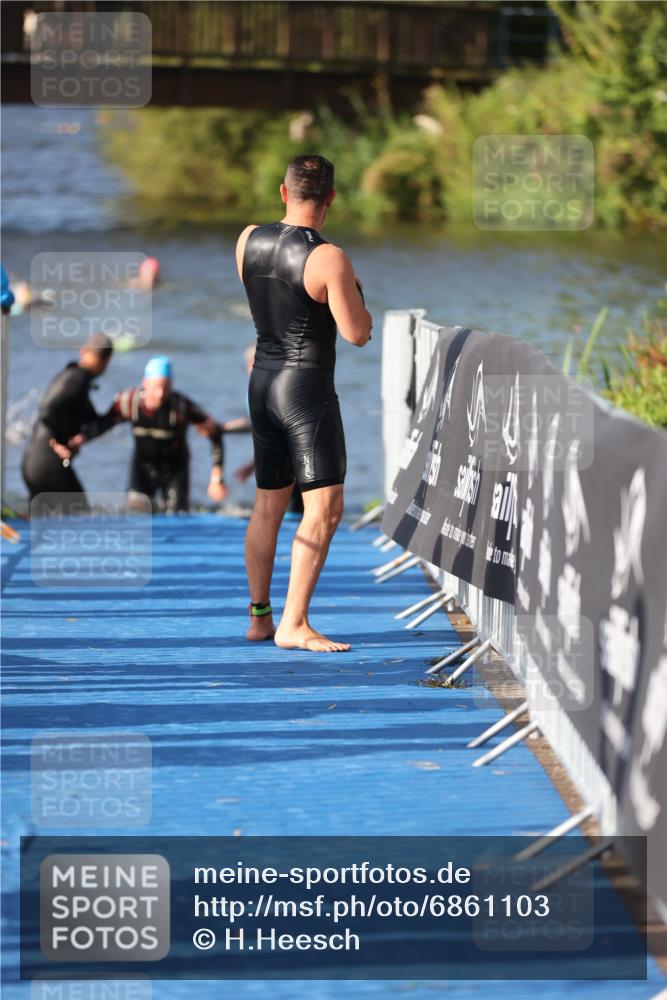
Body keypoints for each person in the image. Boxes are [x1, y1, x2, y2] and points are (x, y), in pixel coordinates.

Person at [236, 154, 372, 652]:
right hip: (305, 392)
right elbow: (357, 333)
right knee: (325, 507)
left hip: (262, 383)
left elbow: (269, 298)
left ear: (283, 191)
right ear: (331, 198)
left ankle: (260, 617)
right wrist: (356, 295)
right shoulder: (330, 258)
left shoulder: (247, 239)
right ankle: (294, 624)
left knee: (267, 504)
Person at [98, 356, 228, 513]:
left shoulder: (181, 406)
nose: (160, 394)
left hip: (175, 470)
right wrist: (78, 439)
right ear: (145, 383)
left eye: (166, 388)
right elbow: (100, 426)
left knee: (177, 516)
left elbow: (215, 433)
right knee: (135, 514)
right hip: (142, 467)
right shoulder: (128, 402)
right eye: (156, 387)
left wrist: (217, 478)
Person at [21, 332, 113, 511]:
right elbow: (49, 412)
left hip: (32, 461)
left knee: (46, 523)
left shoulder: (69, 376)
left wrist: (115, 415)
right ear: (107, 360)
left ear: (83, 351)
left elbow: (92, 424)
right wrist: (56, 443)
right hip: (47, 462)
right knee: (80, 517)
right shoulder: (78, 380)